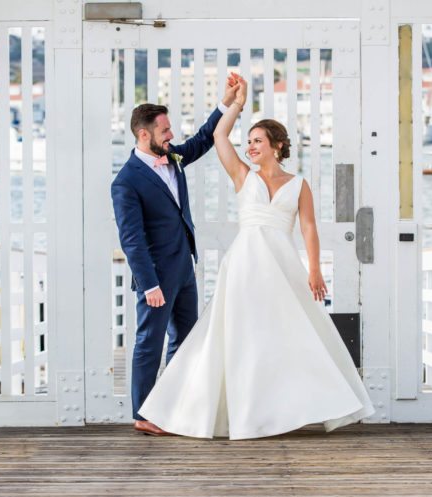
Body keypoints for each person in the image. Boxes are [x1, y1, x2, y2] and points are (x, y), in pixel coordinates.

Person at [138, 75, 375, 439]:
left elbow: (309, 229)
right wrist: (235, 105)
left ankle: (285, 409)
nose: (250, 147)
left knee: (289, 336)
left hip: (282, 267)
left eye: (257, 141)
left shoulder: (298, 185)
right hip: (245, 266)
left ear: (277, 146)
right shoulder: (242, 176)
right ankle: (225, 412)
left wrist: (315, 271)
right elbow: (218, 137)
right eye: (248, 141)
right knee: (241, 337)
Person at [111, 75, 240, 436]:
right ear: (143, 134)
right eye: (165, 130)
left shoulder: (172, 157)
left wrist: (225, 103)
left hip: (184, 268)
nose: (171, 135)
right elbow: (131, 239)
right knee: (148, 343)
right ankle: (142, 414)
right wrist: (149, 283)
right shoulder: (126, 181)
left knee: (185, 340)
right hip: (156, 276)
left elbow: (201, 141)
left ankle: (172, 406)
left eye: (169, 129)